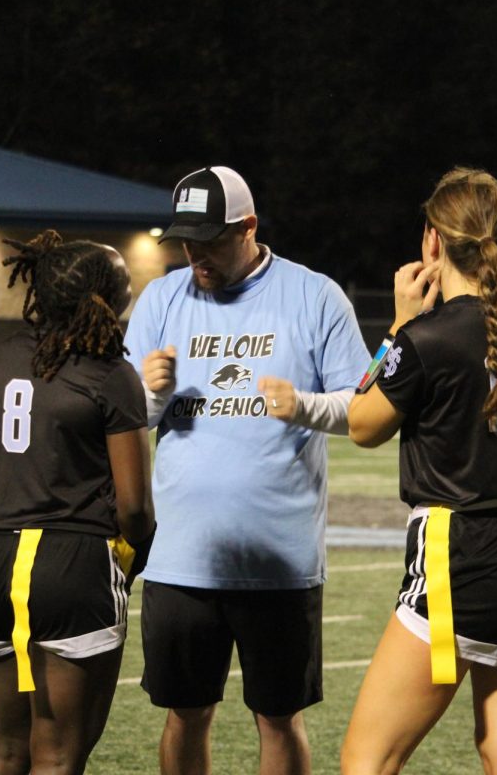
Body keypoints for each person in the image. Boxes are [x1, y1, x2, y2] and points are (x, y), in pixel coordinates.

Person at [125, 166, 369, 775]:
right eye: (186, 240)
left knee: (280, 717)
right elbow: (121, 422)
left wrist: (307, 406)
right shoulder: (161, 297)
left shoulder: (314, 295)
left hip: (280, 559)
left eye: (210, 239)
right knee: (184, 712)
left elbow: (366, 407)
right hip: (181, 555)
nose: (195, 254)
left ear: (250, 226)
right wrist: (148, 400)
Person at [340, 168, 497, 775]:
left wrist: (396, 325)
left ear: (433, 241)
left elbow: (361, 425)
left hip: (461, 553)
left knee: (367, 760)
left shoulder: (425, 338)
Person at [0, 230, 155, 775]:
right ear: (102, 298)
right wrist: (132, 553)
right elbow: (134, 507)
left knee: (4, 750)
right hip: (74, 567)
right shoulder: (111, 374)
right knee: (59, 756)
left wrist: (16, 513)